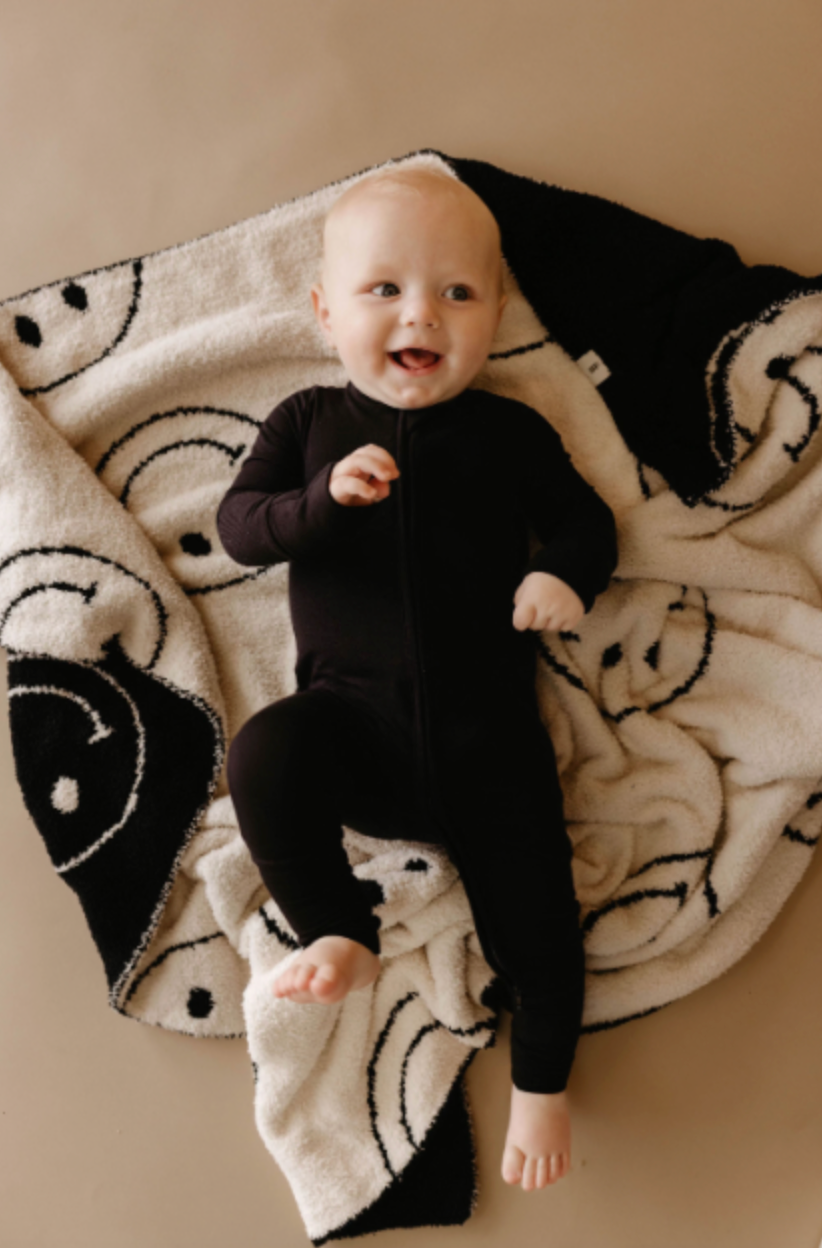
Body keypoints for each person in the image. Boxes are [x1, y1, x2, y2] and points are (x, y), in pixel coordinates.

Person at [216, 164, 618, 1192]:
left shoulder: (510, 432)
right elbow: (240, 527)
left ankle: (542, 1078)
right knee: (264, 752)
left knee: (536, 911)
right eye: (384, 289)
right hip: (350, 734)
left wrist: (561, 575)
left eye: (457, 292)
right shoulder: (309, 423)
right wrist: (319, 503)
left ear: (493, 316)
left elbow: (584, 524)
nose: (420, 313)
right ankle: (341, 929)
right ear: (323, 312)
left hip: (491, 742)